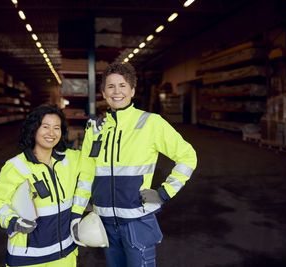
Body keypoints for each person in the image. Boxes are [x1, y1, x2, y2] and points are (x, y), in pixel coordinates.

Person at [70, 62, 197, 267]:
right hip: (105, 224)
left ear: (132, 90)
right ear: (103, 92)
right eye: (111, 86)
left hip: (137, 222)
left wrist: (164, 192)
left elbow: (188, 156)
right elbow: (85, 176)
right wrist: (76, 213)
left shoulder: (151, 123)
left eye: (122, 85)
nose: (117, 91)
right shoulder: (95, 130)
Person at [0, 105, 83, 267]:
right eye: (45, 127)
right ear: (33, 129)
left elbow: (95, 158)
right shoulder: (16, 166)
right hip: (28, 257)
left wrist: (97, 134)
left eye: (56, 128)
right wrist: (13, 221)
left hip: (64, 255)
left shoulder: (70, 160)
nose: (51, 133)